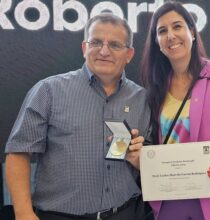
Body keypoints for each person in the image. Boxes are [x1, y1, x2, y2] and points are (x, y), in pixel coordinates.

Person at [5, 13, 150, 220]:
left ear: (129, 54)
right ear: (84, 48)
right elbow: (18, 153)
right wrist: (23, 213)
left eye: (115, 45)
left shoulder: (143, 99)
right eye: (97, 42)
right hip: (59, 215)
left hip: (125, 212)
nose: (104, 51)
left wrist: (140, 157)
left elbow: (152, 157)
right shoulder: (48, 91)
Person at [140, 1, 210, 220]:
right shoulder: (155, 87)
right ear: (157, 42)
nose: (171, 35)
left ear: (191, 31)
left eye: (177, 26)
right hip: (170, 199)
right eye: (162, 31)